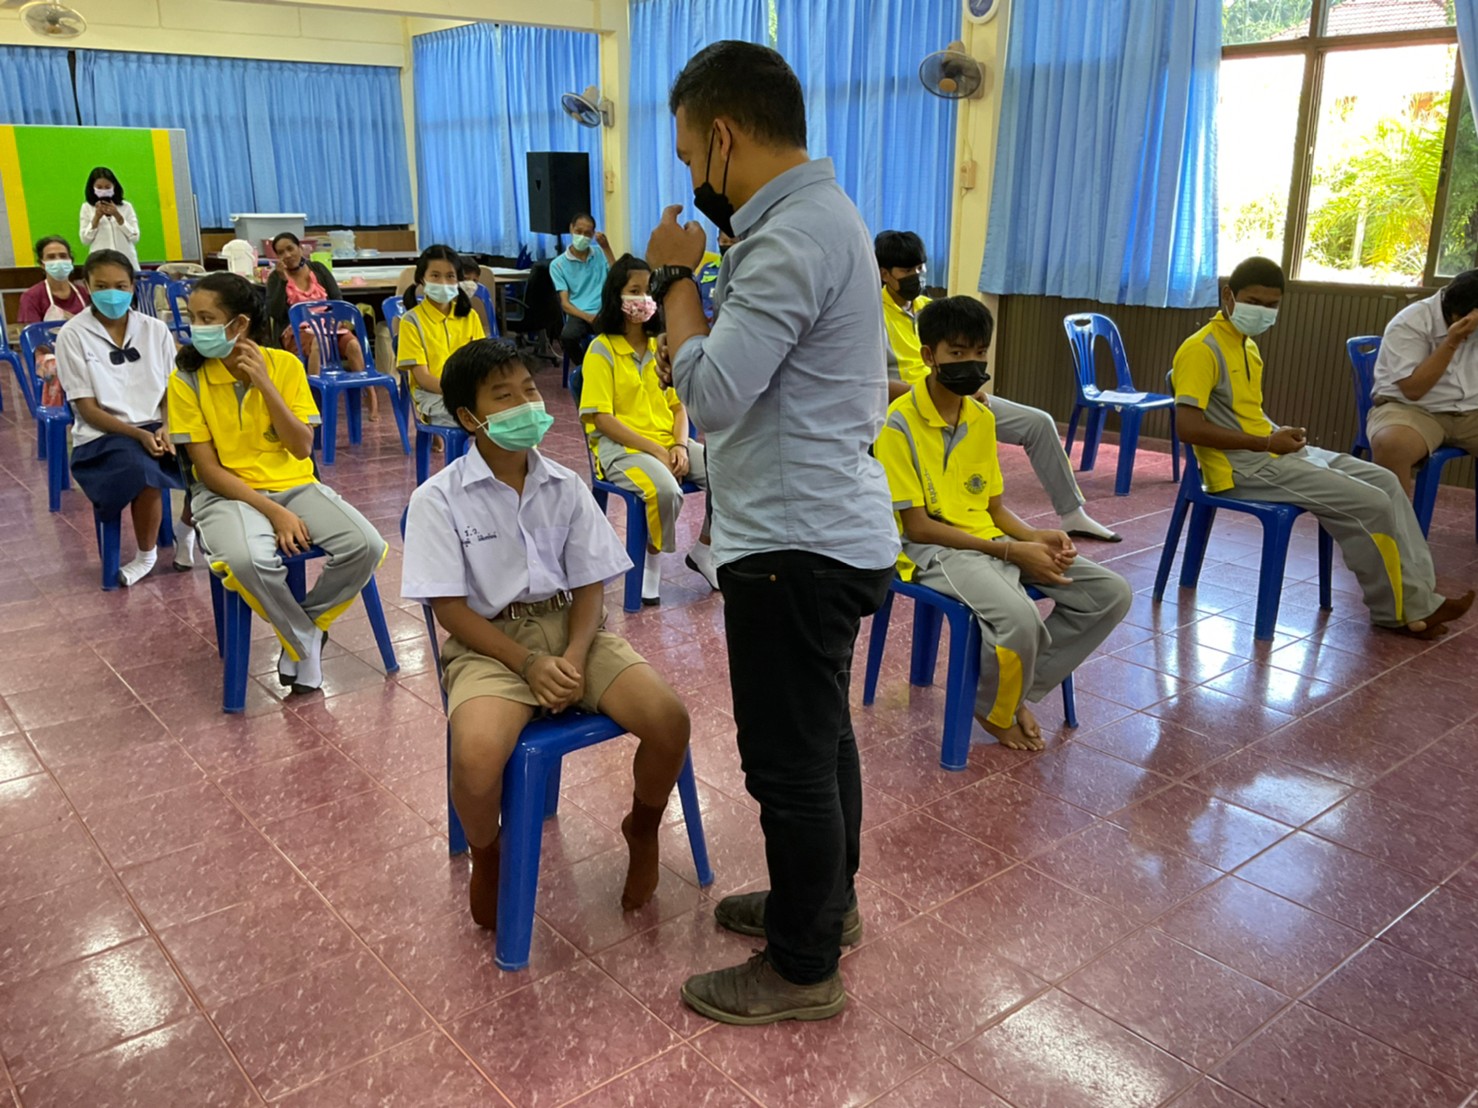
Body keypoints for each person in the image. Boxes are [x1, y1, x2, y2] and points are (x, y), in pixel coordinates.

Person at [646, 41, 899, 1025]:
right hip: (826, 528)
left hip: (795, 546)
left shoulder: (790, 236)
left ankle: (801, 968)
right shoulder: (818, 217)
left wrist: (674, 285)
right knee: (821, 740)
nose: (690, 177)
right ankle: (822, 909)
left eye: (687, 156)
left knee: (788, 765)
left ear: (721, 136)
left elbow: (711, 395)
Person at [401, 338, 691, 926]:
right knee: (476, 760)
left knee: (669, 721)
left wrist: (576, 655)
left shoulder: (566, 484)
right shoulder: (438, 499)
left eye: (530, 390)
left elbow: (589, 585)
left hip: (572, 630)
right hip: (488, 642)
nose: (526, 405)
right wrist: (528, 663)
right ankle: (489, 853)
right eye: (504, 396)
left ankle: (642, 827)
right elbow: (450, 610)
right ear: (470, 418)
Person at [875, 297, 1131, 751]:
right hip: (932, 552)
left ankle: (1012, 695)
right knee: (1020, 618)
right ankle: (997, 710)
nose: (972, 364)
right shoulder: (898, 425)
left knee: (1109, 595)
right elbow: (918, 528)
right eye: (957, 353)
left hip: (989, 540)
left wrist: (1034, 536)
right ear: (929, 356)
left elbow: (993, 509)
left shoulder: (980, 418)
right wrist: (1012, 551)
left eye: (980, 353)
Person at [1172, 257, 1473, 640]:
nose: (1262, 312)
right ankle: (1399, 612)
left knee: (1385, 482)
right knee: (1371, 503)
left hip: (1270, 453)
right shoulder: (1201, 349)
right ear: (1228, 295)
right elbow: (1188, 428)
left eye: (1271, 305)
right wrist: (1266, 442)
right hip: (1242, 470)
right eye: (1253, 302)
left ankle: (1423, 597)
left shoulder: (1247, 347)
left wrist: (1276, 432)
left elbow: (1242, 414)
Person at [169, 273, 388, 693]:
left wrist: (265, 385)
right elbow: (208, 471)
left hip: (296, 484)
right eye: (192, 317)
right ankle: (303, 637)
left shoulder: (284, 366)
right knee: (247, 560)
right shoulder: (187, 379)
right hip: (225, 494)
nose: (196, 328)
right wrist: (274, 512)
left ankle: (305, 625)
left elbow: (302, 447)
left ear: (239, 324)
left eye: (206, 318)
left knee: (366, 545)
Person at [876, 230, 1120, 543]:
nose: (917, 275)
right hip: (913, 404)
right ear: (885, 274)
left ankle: (1073, 513)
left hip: (960, 395)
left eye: (920, 267)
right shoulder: (872, 317)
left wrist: (963, 386)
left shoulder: (931, 310)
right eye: (907, 270)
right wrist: (931, 391)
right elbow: (870, 382)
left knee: (1038, 423)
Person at [579, 254, 717, 603]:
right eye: (634, 290)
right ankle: (651, 562)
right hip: (620, 448)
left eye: (648, 291)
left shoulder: (661, 346)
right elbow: (602, 419)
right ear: (616, 296)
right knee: (665, 490)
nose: (643, 299)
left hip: (668, 441)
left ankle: (706, 548)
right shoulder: (602, 349)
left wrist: (680, 445)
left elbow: (679, 406)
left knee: (728, 471)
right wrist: (657, 451)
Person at [53, 249, 187, 585]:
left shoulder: (155, 329)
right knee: (143, 469)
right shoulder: (73, 334)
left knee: (210, 455)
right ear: (87, 286)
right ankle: (146, 555)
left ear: (132, 287)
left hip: (157, 425)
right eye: (101, 286)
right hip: (104, 435)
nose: (112, 294)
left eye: (120, 286)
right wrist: (139, 434)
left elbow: (171, 389)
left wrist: (168, 425)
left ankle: (186, 530)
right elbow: (87, 409)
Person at [1369, 269, 1478, 494]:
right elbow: (1413, 389)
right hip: (1412, 409)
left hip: (1471, 411)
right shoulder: (1410, 322)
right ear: (1458, 317)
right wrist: (1453, 340)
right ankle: (1396, 518)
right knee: (1392, 445)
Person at [264, 232, 377, 420]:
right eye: (281, 252)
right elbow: (274, 312)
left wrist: (336, 320)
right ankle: (314, 400)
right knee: (318, 341)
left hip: (329, 326)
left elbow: (336, 298)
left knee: (353, 345)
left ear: (300, 248)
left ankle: (371, 397)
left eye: (290, 249)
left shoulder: (318, 270)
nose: (287, 255)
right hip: (297, 332)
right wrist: (282, 281)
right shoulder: (276, 278)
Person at [398, 245, 486, 428]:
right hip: (431, 395)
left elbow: (481, 364)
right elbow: (423, 378)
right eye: (435, 276)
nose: (443, 283)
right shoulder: (411, 321)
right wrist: (460, 394)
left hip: (469, 394)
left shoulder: (470, 316)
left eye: (450, 276)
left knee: (511, 415)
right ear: (421, 279)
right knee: (478, 420)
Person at [549, 212, 615, 354]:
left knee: (620, 334)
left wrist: (607, 248)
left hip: (603, 310)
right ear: (571, 229)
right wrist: (588, 317)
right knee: (568, 337)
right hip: (579, 313)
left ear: (593, 235)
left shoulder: (600, 253)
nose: (582, 236)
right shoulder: (558, 265)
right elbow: (565, 304)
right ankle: (583, 365)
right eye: (578, 231)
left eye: (587, 233)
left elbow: (617, 278)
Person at [78, 168, 141, 270]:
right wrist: (96, 218)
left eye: (107, 187)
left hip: (126, 261)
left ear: (114, 186)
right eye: (99, 187)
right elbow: (85, 240)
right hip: (100, 262)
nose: (103, 190)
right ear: (92, 188)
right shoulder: (87, 207)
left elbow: (135, 237)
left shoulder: (126, 207)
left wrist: (117, 215)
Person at [19, 236, 90, 325]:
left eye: (63, 256)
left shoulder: (84, 293)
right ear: (42, 264)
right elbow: (32, 331)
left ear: (71, 260)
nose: (58, 260)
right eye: (51, 257)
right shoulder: (31, 297)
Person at [458, 257, 495, 336]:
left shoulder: (477, 302)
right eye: (465, 279)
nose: (470, 284)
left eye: (475, 280)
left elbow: (486, 331)